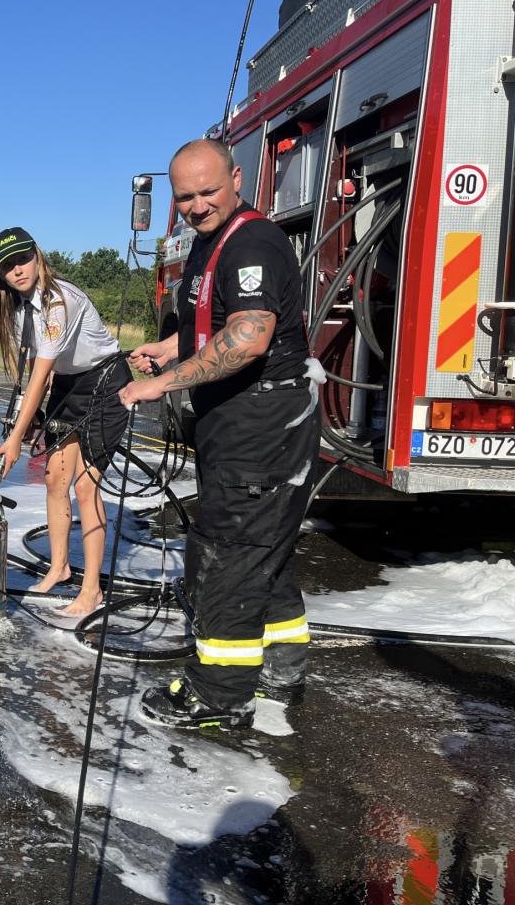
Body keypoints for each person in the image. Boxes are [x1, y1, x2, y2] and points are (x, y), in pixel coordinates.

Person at [120, 138, 320, 730]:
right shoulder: (213, 241)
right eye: (185, 197)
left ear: (237, 179)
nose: (197, 205)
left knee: (228, 553)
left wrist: (164, 383)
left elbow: (250, 337)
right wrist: (171, 347)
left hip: (262, 424)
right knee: (264, 549)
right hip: (244, 422)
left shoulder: (252, 243)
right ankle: (282, 668)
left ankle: (220, 694)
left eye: (208, 191)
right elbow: (215, 322)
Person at [0, 226, 131, 618]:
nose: (18, 270)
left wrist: (16, 437)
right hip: (69, 387)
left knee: (86, 487)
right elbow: (35, 368)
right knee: (55, 478)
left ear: (37, 256)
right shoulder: (19, 308)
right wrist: (30, 416)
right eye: (8, 266)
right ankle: (59, 567)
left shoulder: (59, 300)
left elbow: (41, 373)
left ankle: (92, 590)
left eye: (23, 259)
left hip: (106, 383)